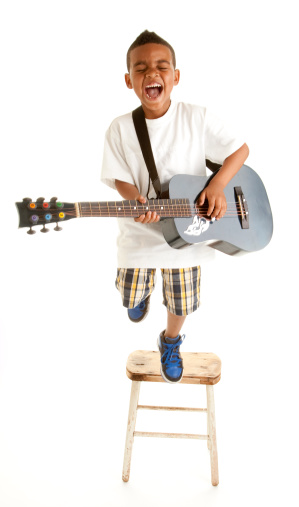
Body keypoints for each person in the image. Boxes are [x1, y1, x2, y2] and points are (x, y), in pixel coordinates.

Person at [101, 30, 249, 384]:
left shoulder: (196, 117)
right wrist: (134, 197)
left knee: (182, 303)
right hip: (140, 230)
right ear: (129, 80)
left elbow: (239, 150)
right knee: (128, 297)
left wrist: (216, 185)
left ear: (175, 77)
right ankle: (140, 295)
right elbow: (117, 176)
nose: (152, 73)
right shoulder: (120, 128)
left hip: (189, 231)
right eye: (141, 69)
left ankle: (170, 341)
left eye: (161, 67)